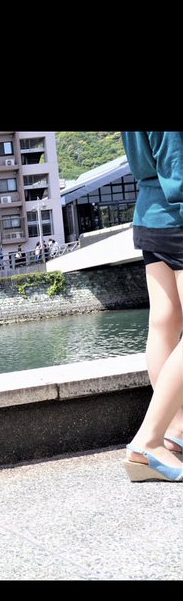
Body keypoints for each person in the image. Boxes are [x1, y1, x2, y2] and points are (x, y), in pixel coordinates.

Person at [121, 132, 183, 482]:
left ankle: (176, 429)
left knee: (165, 324)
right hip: (178, 216)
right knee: (166, 325)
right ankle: (149, 440)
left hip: (151, 214)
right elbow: (178, 165)